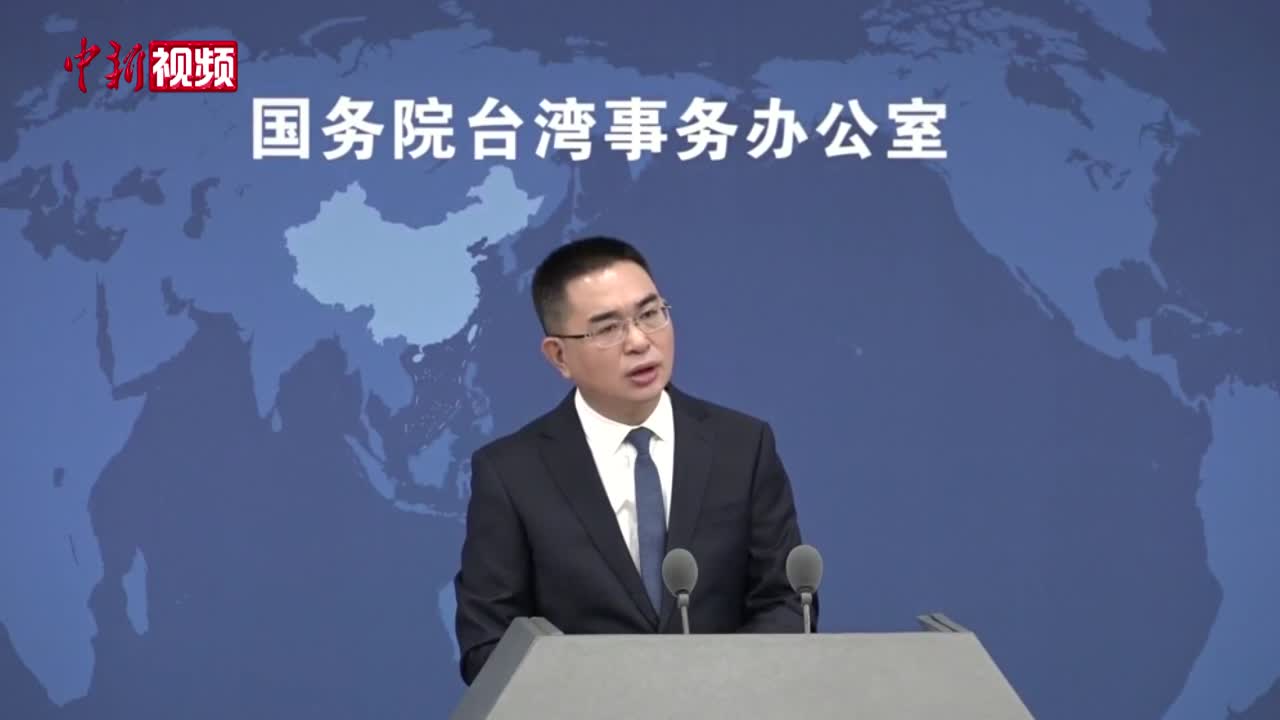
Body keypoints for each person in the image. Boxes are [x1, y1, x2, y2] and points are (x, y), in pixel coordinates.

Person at [452, 235, 815, 686]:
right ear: (559, 356)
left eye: (650, 313)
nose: (640, 341)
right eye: (607, 329)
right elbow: (488, 647)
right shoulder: (512, 473)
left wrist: (712, 690)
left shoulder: (742, 446)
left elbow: (784, 603)